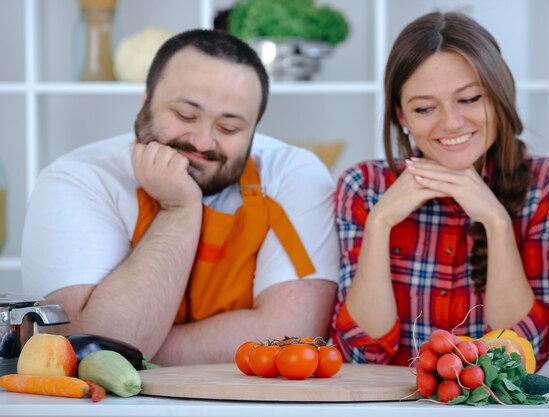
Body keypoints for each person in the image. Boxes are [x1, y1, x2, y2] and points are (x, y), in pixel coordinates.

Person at [21, 29, 339, 365]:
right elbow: (84, 351)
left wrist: (134, 347)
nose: (203, 142)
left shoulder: (292, 174)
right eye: (186, 115)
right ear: (145, 102)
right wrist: (178, 210)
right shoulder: (77, 180)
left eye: (229, 128)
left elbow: (295, 336)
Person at [331, 11, 549, 371]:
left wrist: (496, 221)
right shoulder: (363, 187)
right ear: (402, 117)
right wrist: (380, 222)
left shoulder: (546, 184)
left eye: (470, 99)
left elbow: (525, 354)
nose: (452, 123)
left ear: (498, 95)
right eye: (425, 108)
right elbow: (359, 355)